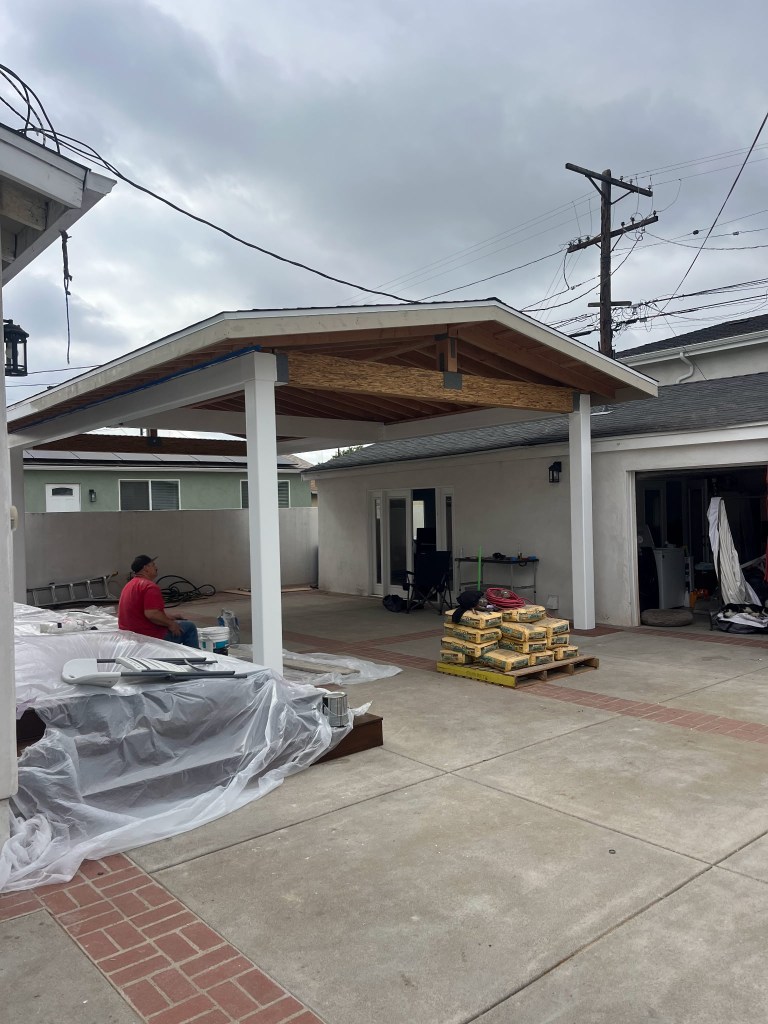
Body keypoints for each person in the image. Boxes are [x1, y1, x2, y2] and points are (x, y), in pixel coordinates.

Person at [118, 555, 199, 647]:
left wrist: (170, 617)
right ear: (146, 568)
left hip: (130, 636)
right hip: (148, 637)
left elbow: (142, 612)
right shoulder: (149, 586)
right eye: (153, 565)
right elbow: (152, 614)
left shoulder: (129, 585)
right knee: (189, 627)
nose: (156, 567)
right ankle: (195, 656)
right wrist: (171, 624)